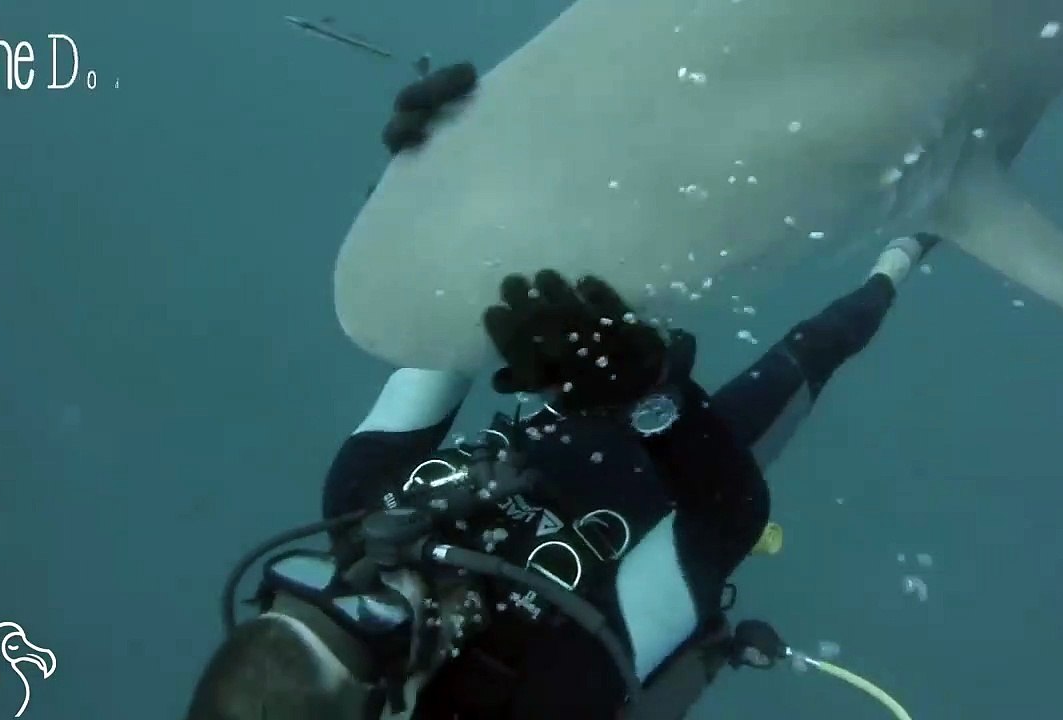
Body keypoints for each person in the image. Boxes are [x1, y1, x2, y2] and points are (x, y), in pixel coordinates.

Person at [185, 63, 937, 720]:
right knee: (814, 348)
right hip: (683, 477)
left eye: (309, 589)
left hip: (575, 402)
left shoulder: (359, 505)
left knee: (595, 288)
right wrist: (652, 398)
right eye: (368, 621)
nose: (360, 582)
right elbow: (726, 521)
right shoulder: (551, 691)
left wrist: (440, 189)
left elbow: (440, 333)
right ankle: (919, 238)